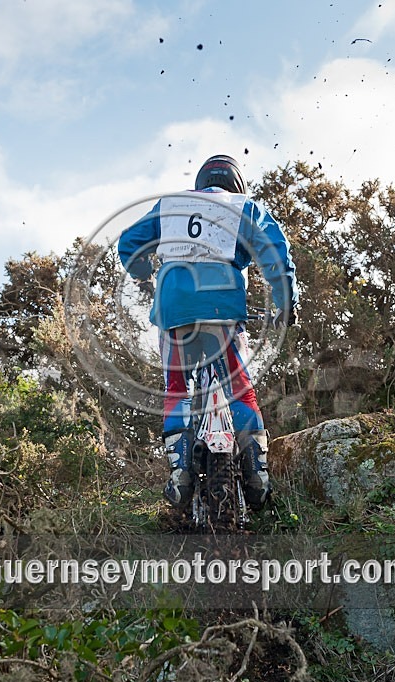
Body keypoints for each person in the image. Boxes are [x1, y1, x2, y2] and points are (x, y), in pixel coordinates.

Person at [118, 154, 298, 510]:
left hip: (174, 311)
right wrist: (285, 303)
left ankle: (180, 473)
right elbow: (275, 254)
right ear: (236, 183)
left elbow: (129, 242)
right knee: (242, 392)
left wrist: (143, 272)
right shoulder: (243, 207)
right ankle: (257, 477)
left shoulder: (171, 204)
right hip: (222, 309)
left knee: (176, 390)